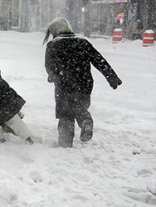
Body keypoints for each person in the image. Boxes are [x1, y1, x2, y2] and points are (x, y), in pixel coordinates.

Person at [44, 17, 122, 148]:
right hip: (84, 83)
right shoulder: (82, 42)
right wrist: (112, 77)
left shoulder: (53, 45)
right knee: (79, 106)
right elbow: (99, 60)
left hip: (64, 84)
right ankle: (85, 120)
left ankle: (65, 142)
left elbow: (49, 66)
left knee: (65, 113)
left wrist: (53, 76)